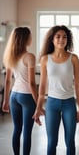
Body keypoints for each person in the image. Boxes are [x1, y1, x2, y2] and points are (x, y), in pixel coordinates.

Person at [33, 25, 79, 155]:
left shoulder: (74, 58)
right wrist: (38, 107)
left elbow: (78, 84)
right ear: (52, 39)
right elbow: (42, 87)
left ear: (68, 40)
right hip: (52, 103)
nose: (61, 39)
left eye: (64, 37)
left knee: (70, 141)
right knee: (51, 142)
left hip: (69, 104)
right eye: (58, 36)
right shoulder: (45, 59)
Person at [2, 27, 38, 155]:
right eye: (30, 36)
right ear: (25, 39)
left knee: (17, 129)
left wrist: (5, 101)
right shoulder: (30, 57)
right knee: (27, 131)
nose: (31, 38)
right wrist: (38, 102)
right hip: (27, 96)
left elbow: (7, 81)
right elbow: (32, 83)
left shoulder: (10, 56)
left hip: (14, 96)